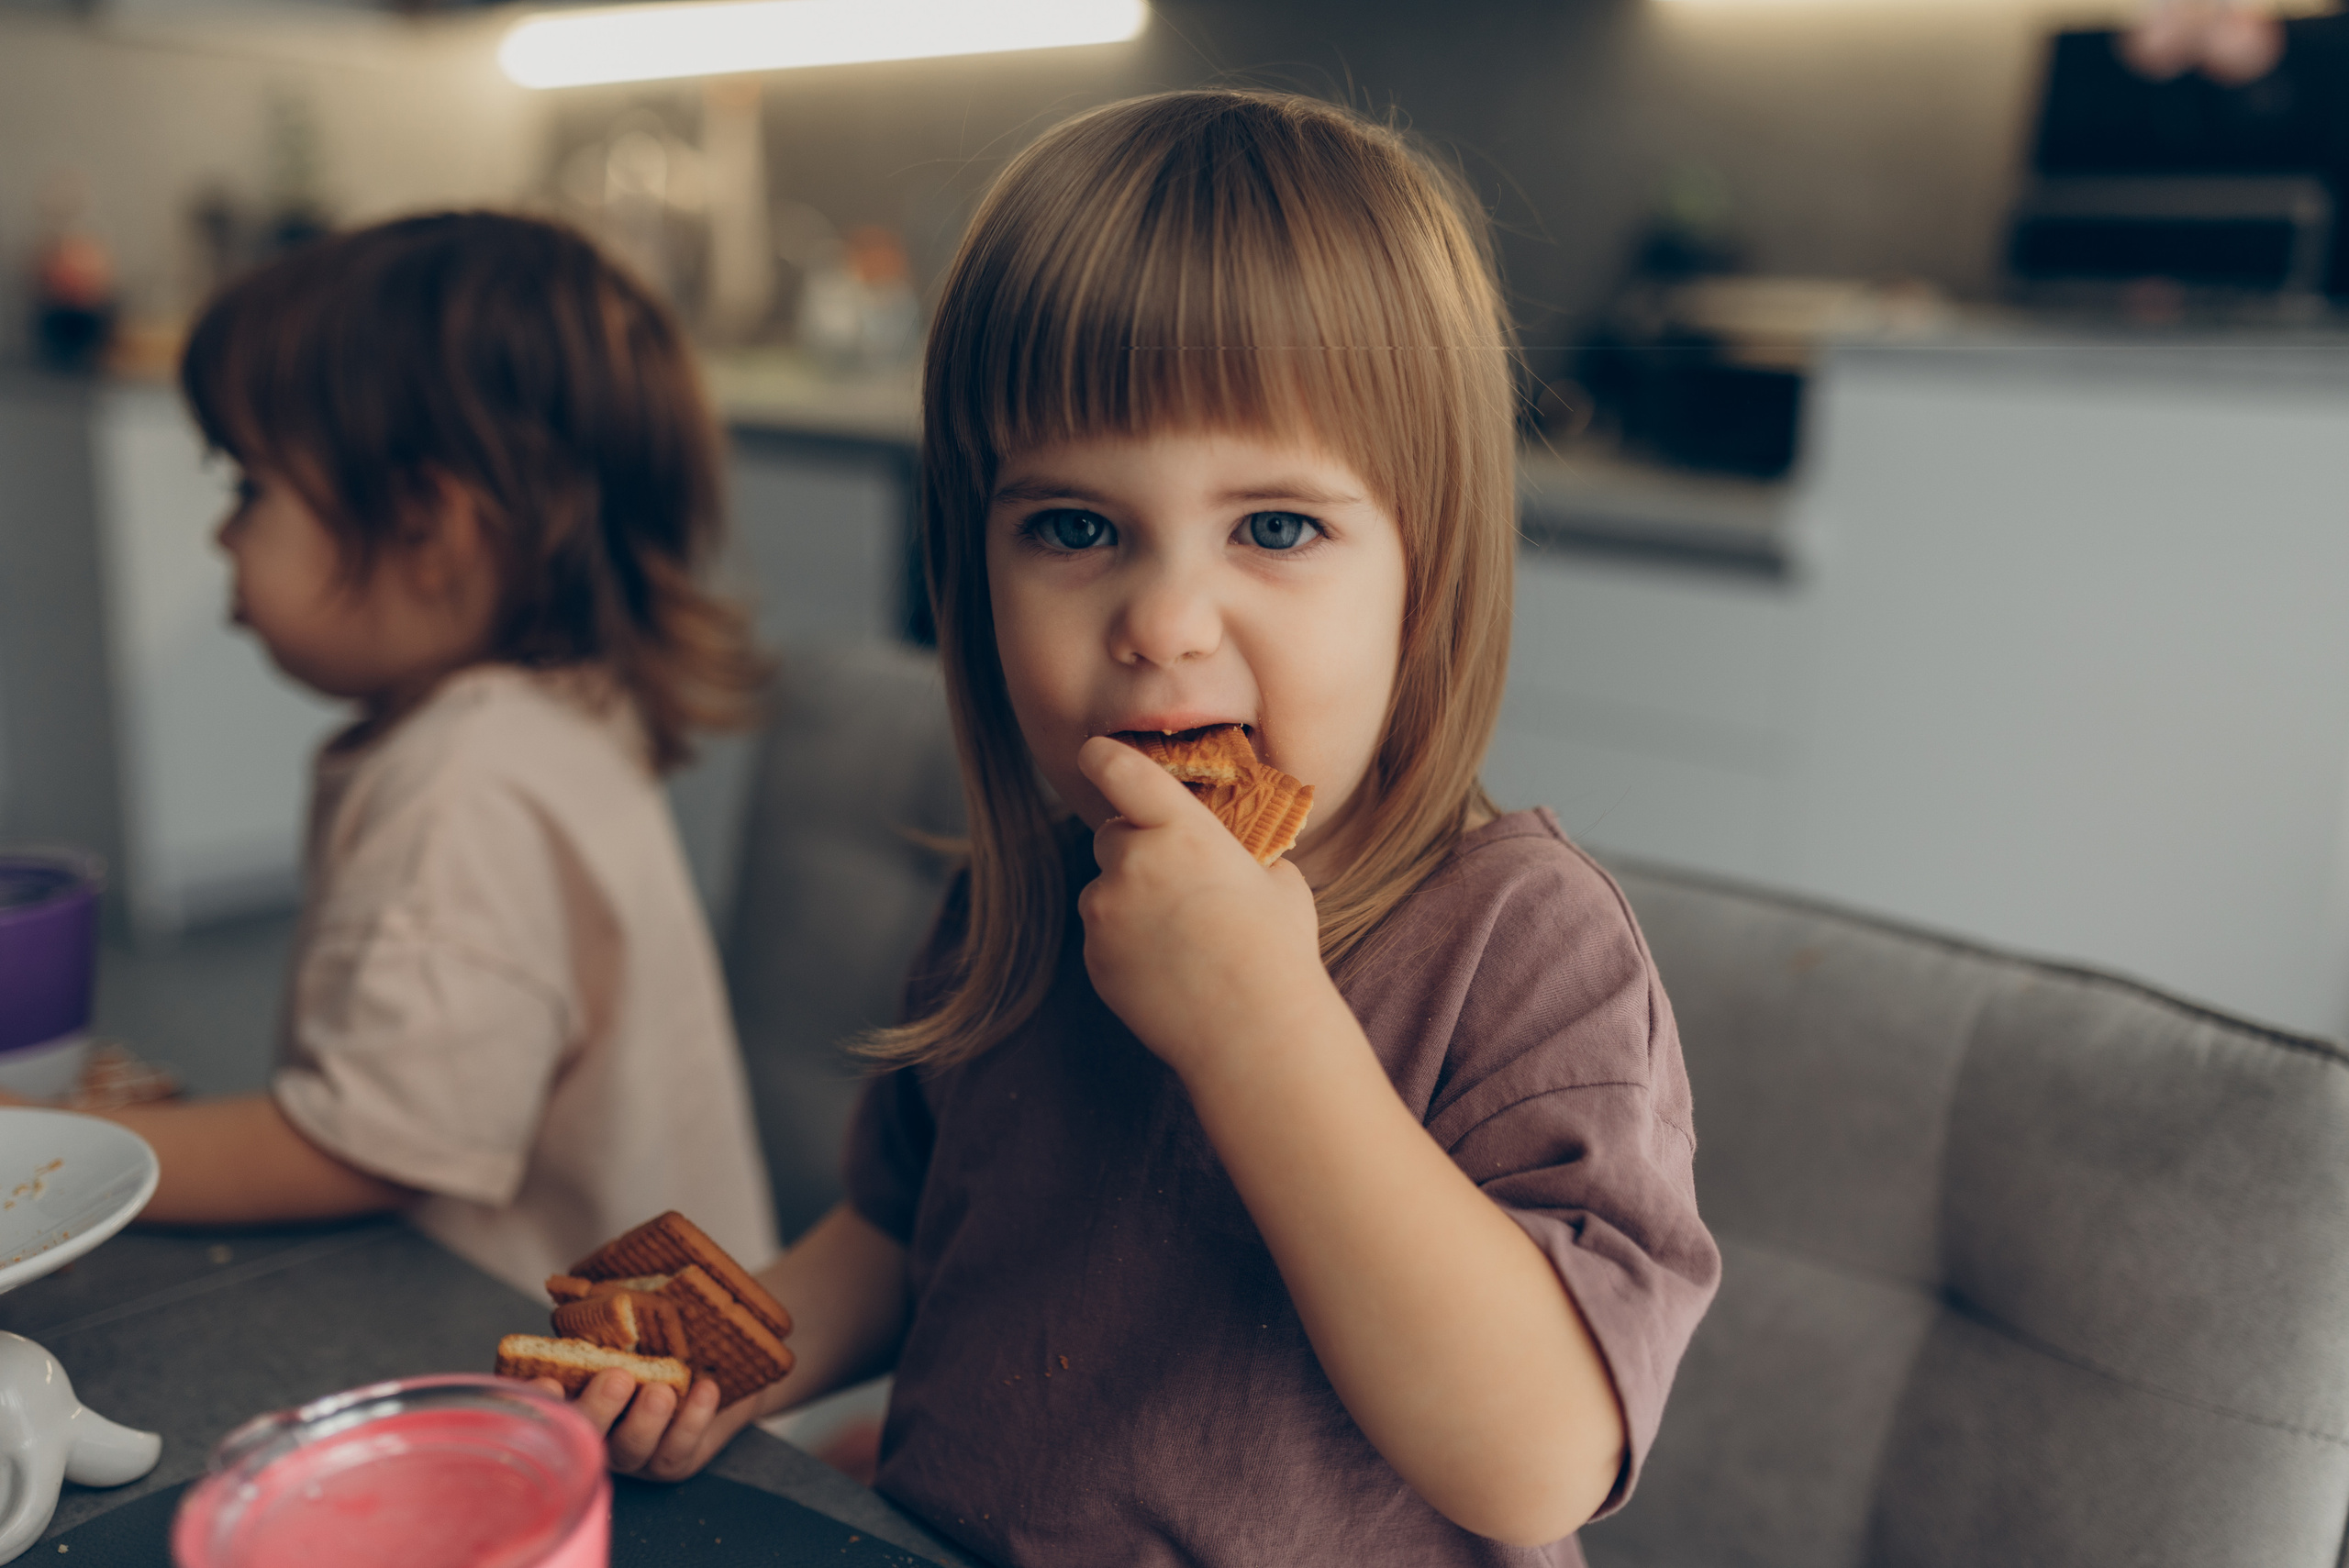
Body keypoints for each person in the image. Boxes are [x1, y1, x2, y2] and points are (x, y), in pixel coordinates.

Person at [550, 91, 1720, 1564]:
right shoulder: (1025, 900)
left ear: (1429, 575)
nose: (1163, 623)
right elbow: (906, 1234)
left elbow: (1538, 1460)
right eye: (1074, 527)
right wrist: (739, 1352)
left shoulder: (1523, 946)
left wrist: (1258, 1031)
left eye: (1275, 528)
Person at [29, 213, 780, 1296]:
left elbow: (364, 1147)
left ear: (428, 524)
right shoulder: (553, 708)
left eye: (249, 487)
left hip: (549, 1354)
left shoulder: (461, 786)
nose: (221, 534)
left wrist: (58, 1144)